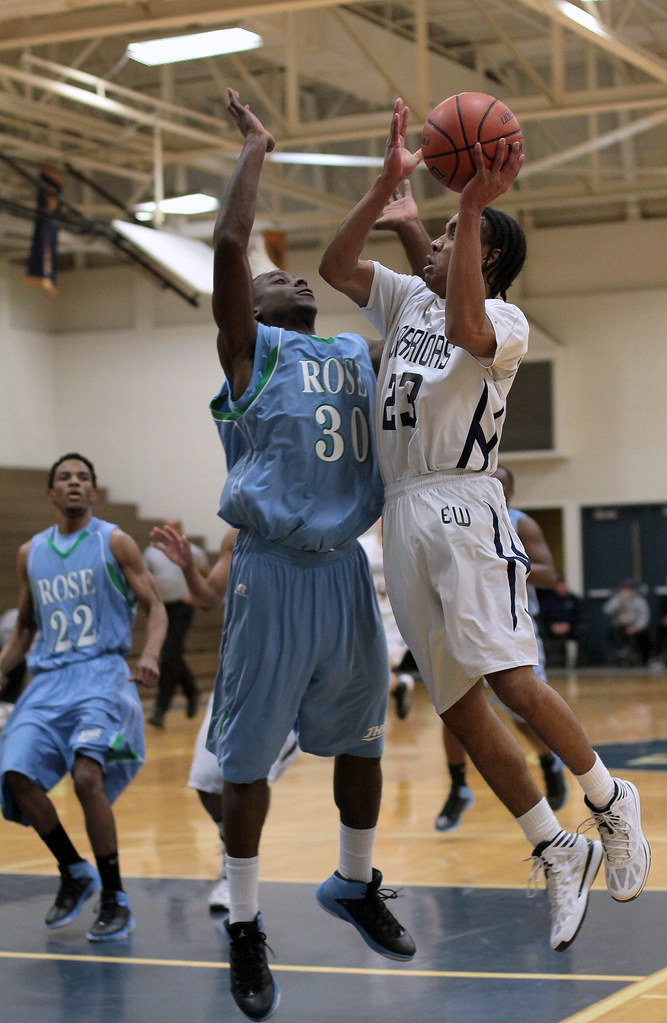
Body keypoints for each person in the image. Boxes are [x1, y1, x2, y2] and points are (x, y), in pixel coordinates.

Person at [318, 98, 650, 953]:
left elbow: (463, 319)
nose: (423, 241)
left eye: (447, 238)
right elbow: (332, 261)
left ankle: (609, 798)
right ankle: (554, 843)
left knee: (507, 678)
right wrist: (387, 187)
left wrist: (463, 207)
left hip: (463, 505)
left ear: (485, 250)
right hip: (402, 511)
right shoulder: (401, 307)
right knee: (457, 708)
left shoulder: (503, 321)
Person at [208, 91, 415, 1021]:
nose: (288, 279)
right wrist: (257, 146)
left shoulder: (354, 353)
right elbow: (228, 246)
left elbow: (427, 326)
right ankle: (245, 923)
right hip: (272, 571)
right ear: (246, 312)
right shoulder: (250, 358)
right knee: (247, 765)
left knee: (360, 742)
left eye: (296, 279)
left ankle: (354, 878)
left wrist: (400, 215)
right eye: (271, 279)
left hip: (344, 572)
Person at [0, 453, 167, 941]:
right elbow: (26, 626)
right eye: (65, 479)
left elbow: (155, 606)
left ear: (93, 491)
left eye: (83, 478)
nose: (74, 483)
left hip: (100, 675)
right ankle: (74, 870)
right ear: (52, 493)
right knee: (14, 776)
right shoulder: (31, 552)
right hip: (48, 681)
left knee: (87, 776)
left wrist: (151, 653)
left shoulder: (114, 541)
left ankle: (114, 894)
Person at [148, 522, 299, 914]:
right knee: (205, 781)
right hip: (235, 680)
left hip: (288, 681)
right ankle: (234, 840)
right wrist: (186, 570)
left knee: (245, 778)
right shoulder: (237, 535)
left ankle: (237, 872)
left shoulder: (309, 528)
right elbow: (209, 597)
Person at [434, 464, 567, 832]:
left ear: (510, 493)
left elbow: (549, 574)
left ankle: (549, 763)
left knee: (525, 715)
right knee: (455, 709)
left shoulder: (520, 523)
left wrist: (505, 563)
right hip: (464, 625)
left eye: (502, 487)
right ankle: (458, 785)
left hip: (511, 625)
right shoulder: (459, 518)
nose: (495, 491)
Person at [143, 518, 209, 728]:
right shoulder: (152, 552)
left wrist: (195, 596)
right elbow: (145, 577)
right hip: (162, 609)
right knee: (170, 657)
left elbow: (208, 577)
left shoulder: (194, 552)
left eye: (174, 527)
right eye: (167, 526)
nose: (169, 529)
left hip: (183, 607)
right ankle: (190, 690)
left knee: (169, 654)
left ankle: (161, 710)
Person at [359, 521, 415, 719]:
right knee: (366, 673)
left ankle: (369, 720)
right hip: (366, 622)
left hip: (394, 624)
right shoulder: (361, 548)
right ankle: (399, 686)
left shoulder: (406, 551)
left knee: (376, 670)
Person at [603, 578, 651, 666]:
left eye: (630, 589)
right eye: (626, 588)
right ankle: (619, 656)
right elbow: (607, 610)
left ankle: (643, 661)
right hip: (619, 627)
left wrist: (636, 628)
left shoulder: (640, 600)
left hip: (634, 627)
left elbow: (644, 617)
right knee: (612, 633)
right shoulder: (617, 599)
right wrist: (619, 601)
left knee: (646, 634)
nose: (628, 591)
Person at [540, 576, 585, 668]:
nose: (561, 588)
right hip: (552, 628)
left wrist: (569, 625)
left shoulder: (574, 599)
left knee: (582, 631)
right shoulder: (549, 600)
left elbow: (580, 615)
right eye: (559, 585)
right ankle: (547, 662)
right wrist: (551, 626)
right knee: (540, 632)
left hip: (570, 628)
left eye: (563, 585)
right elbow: (543, 616)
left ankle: (580, 662)